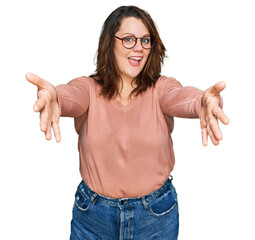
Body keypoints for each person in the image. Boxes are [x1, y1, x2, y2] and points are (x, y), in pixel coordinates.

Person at [26, 5, 229, 240]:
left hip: (155, 217)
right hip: (93, 217)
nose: (139, 48)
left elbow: (181, 97)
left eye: (145, 40)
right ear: (109, 43)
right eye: (129, 39)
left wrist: (203, 101)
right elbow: (69, 96)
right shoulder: (88, 88)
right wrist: (54, 96)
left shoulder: (161, 88)